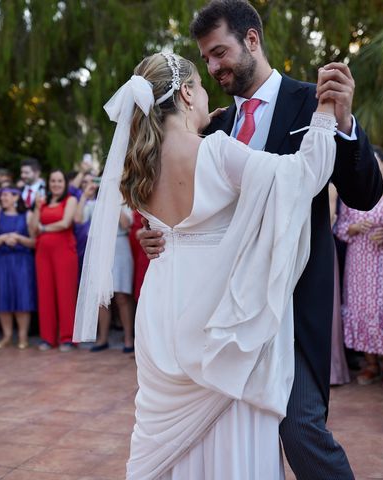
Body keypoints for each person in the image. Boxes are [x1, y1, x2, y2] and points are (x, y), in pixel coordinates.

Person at [137, 2, 382, 477]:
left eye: (220, 53)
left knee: (300, 425)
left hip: (293, 299)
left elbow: (366, 194)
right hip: (224, 313)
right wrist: (159, 234)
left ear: (252, 40)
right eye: (205, 59)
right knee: (228, 432)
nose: (213, 68)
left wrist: (345, 123)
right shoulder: (216, 126)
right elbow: (190, 199)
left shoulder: (314, 101)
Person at [74, 50, 337, 479]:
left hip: (163, 305)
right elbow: (304, 175)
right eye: (199, 86)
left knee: (168, 439)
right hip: (219, 305)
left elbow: (168, 225)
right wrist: (325, 112)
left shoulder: (136, 166)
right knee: (231, 424)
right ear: (186, 92)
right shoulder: (217, 152)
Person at [336, 150, 383, 390]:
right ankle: (370, 364)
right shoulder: (352, 193)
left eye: (374, 161)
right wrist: (355, 227)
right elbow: (340, 228)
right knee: (361, 308)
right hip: (359, 260)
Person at [31, 170, 78, 352]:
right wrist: (36, 208)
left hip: (64, 252)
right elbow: (33, 229)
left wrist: (43, 227)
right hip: (43, 252)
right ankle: (47, 338)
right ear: (48, 183)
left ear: (65, 183)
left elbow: (65, 223)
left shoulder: (70, 200)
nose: (56, 184)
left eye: (59, 181)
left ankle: (67, 338)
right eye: (53, 181)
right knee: (45, 293)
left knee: (65, 293)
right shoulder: (42, 203)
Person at [0, 187, 36, 349]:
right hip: (2, 262)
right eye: (1, 196)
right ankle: (7, 335)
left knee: (22, 298)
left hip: (22, 262)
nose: (3, 198)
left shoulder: (27, 215)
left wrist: (19, 238)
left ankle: (22, 336)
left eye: (6, 195)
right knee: (3, 298)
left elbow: (35, 241)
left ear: (16, 197)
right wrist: (3, 238)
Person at [90, 205, 135, 353]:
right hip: (101, 248)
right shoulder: (96, 202)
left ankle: (128, 338)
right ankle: (102, 338)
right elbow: (80, 219)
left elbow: (126, 224)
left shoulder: (124, 202)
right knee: (101, 296)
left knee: (122, 295)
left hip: (120, 246)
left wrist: (115, 202)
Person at [328, 183, 350, 386]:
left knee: (326, 309)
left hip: (319, 247)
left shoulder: (331, 187)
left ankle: (331, 370)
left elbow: (328, 219)